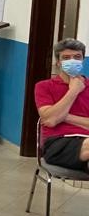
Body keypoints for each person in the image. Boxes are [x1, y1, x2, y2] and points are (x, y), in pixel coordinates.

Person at [35, 38, 89, 171]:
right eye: (66, 58)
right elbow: (50, 121)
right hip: (57, 142)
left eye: (77, 57)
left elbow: (52, 118)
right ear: (58, 62)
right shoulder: (44, 86)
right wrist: (74, 91)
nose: (72, 61)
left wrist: (63, 116)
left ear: (83, 60)